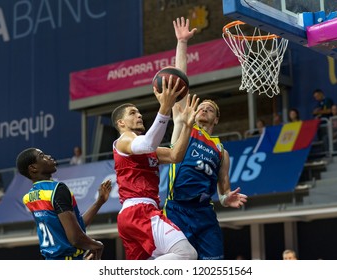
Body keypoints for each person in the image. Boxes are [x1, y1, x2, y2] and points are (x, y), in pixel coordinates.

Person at [163, 17, 248, 260]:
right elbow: (180, 83)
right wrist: (181, 43)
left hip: (204, 213)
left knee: (215, 264)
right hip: (177, 208)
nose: (204, 109)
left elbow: (223, 190)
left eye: (210, 108)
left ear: (216, 119)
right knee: (181, 264)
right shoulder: (184, 126)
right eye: (202, 106)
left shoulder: (222, 151)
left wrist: (226, 198)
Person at [111, 70, 199, 259]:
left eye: (139, 112)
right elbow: (147, 143)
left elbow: (175, 156)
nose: (139, 115)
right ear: (121, 122)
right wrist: (165, 108)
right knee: (186, 254)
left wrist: (187, 126)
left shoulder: (146, 148)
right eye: (133, 113)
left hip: (133, 215)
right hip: (139, 210)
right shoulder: (125, 139)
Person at [16, 147, 112, 260]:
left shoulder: (29, 197)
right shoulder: (57, 190)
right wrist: (97, 246)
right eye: (42, 156)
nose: (49, 156)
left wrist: (99, 202)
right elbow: (75, 238)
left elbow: (75, 226)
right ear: (33, 168)